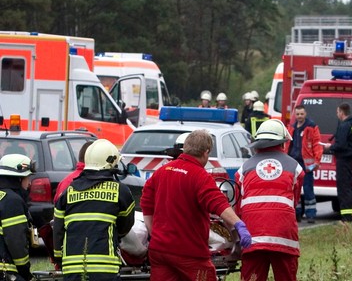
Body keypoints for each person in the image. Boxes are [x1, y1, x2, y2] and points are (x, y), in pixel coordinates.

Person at [140, 129, 251, 281]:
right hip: (189, 254)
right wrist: (239, 224)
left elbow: (146, 204)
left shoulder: (161, 171)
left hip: (160, 252)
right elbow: (219, 204)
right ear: (206, 152)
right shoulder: (200, 176)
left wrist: (155, 234)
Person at [52, 139, 136, 280]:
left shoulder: (68, 191)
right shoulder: (120, 191)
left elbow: (58, 230)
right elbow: (125, 225)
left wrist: (59, 259)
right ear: (111, 162)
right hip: (105, 267)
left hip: (72, 268)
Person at [237, 119, 304, 281]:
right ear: (282, 143)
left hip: (252, 235)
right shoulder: (295, 167)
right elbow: (294, 201)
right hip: (283, 234)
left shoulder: (243, 169)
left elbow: (239, 204)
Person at [325, 103, 352, 223]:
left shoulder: (344, 126)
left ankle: (346, 218)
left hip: (344, 160)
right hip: (351, 160)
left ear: (341, 113)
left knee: (343, 188)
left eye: (337, 112)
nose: (337, 114)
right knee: (349, 187)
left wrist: (330, 147)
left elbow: (341, 144)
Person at [0, 154, 34, 281]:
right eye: (28, 178)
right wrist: (25, 271)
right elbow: (16, 241)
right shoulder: (12, 201)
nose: (29, 183)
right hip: (5, 271)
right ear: (18, 179)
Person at [287, 105, 323, 223]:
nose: (299, 116)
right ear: (294, 114)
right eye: (297, 114)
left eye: (301, 114)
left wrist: (317, 161)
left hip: (306, 165)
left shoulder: (311, 127)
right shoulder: (291, 127)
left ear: (305, 114)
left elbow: (316, 145)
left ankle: (311, 214)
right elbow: (287, 145)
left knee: (308, 189)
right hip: (293, 163)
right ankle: (296, 214)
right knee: (294, 189)